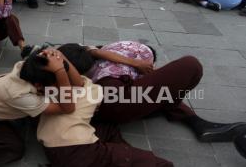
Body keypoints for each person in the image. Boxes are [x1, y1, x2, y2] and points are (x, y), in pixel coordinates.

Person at [58, 42, 246, 146]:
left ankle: (196, 122)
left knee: (160, 91)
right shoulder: (138, 53)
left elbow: (95, 51)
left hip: (102, 98)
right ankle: (190, 118)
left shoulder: (91, 49)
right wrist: (138, 65)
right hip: (114, 98)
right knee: (191, 64)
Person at [37, 44, 173, 167]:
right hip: (78, 152)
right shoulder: (94, 90)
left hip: (50, 146)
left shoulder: (45, 87)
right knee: (163, 165)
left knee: (108, 130)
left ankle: (119, 155)